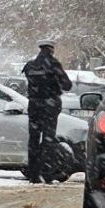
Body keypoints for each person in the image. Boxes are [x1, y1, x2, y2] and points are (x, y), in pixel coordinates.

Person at [22, 38, 72, 183]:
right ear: (51, 49)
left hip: (34, 106)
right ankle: (46, 172)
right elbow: (67, 85)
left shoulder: (30, 65)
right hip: (50, 107)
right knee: (48, 140)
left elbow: (31, 83)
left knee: (33, 139)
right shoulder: (54, 65)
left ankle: (33, 173)